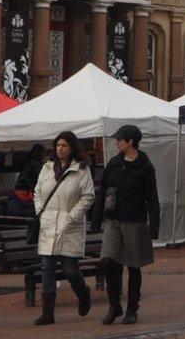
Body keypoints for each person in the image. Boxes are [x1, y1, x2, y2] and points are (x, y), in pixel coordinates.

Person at [90, 124, 159, 325]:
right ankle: (114, 305)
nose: (117, 142)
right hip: (113, 219)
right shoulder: (113, 163)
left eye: (120, 139)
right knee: (110, 261)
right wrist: (96, 219)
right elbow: (103, 192)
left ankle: (132, 308)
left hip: (135, 221)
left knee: (133, 266)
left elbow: (152, 198)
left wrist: (154, 227)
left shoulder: (145, 167)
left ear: (130, 142)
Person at [31, 131, 95, 326]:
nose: (60, 149)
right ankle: (48, 313)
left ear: (72, 147)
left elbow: (88, 196)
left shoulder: (81, 170)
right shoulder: (47, 167)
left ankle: (83, 293)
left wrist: (72, 216)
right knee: (47, 268)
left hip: (70, 225)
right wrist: (40, 211)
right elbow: (38, 192)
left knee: (70, 269)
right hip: (49, 223)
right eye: (58, 145)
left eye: (64, 145)